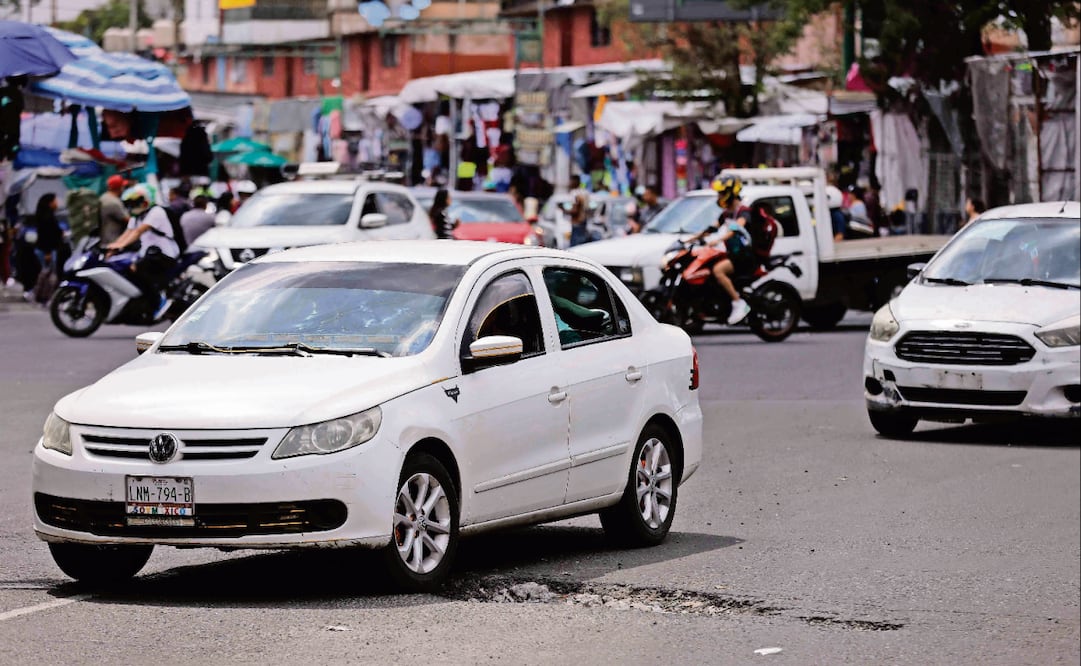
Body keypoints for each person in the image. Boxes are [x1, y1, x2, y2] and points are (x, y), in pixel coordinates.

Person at [106, 185, 181, 319]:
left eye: (136, 201)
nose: (134, 205)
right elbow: (127, 232)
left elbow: (138, 231)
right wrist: (113, 247)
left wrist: (120, 246)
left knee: (137, 268)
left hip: (165, 254)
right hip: (149, 254)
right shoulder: (137, 216)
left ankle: (159, 300)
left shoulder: (156, 212)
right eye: (131, 203)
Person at [700, 175, 755, 325]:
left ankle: (738, 303)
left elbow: (737, 228)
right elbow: (712, 228)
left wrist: (718, 240)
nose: (719, 197)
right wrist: (692, 238)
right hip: (732, 254)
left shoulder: (743, 211)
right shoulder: (726, 213)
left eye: (722, 193)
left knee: (718, 270)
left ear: (731, 193)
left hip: (744, 257)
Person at [30, 193, 63, 304]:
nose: (57, 203)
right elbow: (47, 236)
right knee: (48, 274)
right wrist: (48, 252)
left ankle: (42, 296)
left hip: (44, 249)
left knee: (46, 273)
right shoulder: (47, 217)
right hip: (47, 250)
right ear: (50, 203)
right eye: (55, 201)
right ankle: (43, 296)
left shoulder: (45, 215)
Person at [99, 174, 131, 245]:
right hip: (114, 240)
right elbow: (129, 221)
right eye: (123, 186)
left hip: (105, 238)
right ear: (119, 187)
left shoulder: (104, 197)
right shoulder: (113, 202)